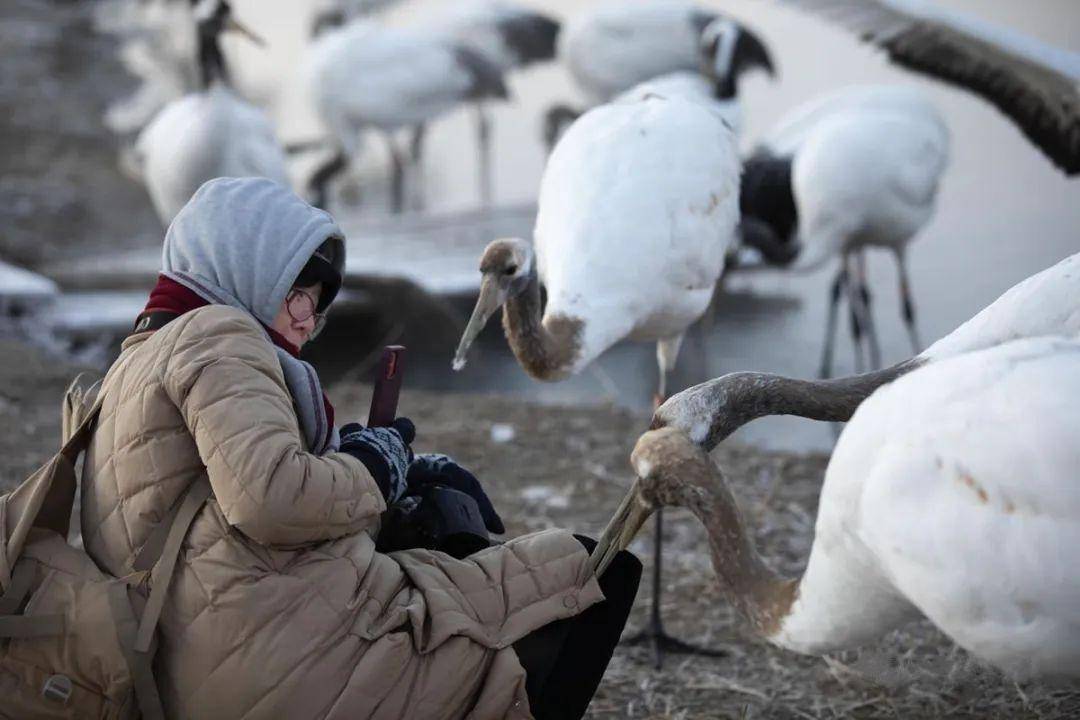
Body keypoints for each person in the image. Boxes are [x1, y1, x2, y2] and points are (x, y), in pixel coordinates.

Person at [80, 177, 640, 720]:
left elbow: (222, 507)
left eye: (318, 300)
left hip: (213, 651)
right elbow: (269, 499)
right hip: (282, 662)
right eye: (293, 289)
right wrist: (374, 468)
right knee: (593, 569)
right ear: (241, 263)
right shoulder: (219, 337)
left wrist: (394, 473)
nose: (306, 316)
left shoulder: (140, 360)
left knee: (464, 552)